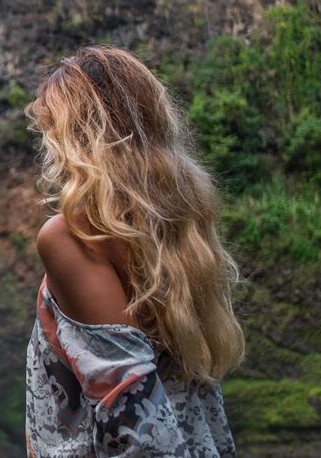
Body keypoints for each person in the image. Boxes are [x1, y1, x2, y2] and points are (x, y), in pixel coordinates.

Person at [22, 45, 245, 457]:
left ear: (76, 137)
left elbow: (133, 417)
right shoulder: (180, 227)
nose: (48, 149)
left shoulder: (73, 236)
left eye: (51, 131)